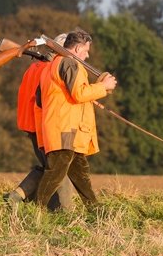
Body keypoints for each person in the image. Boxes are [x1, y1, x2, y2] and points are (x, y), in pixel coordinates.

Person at [35, 28, 117, 208]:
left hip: (63, 128)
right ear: (78, 48)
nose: (87, 56)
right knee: (55, 173)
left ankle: (95, 209)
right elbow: (79, 94)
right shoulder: (69, 64)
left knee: (80, 174)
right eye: (86, 51)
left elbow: (41, 100)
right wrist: (103, 86)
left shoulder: (51, 66)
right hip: (66, 129)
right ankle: (35, 212)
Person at [5, 34, 74, 210]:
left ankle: (21, 197)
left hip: (30, 125)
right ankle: (64, 211)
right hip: (43, 125)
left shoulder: (34, 67)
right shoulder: (50, 70)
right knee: (58, 169)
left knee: (49, 166)